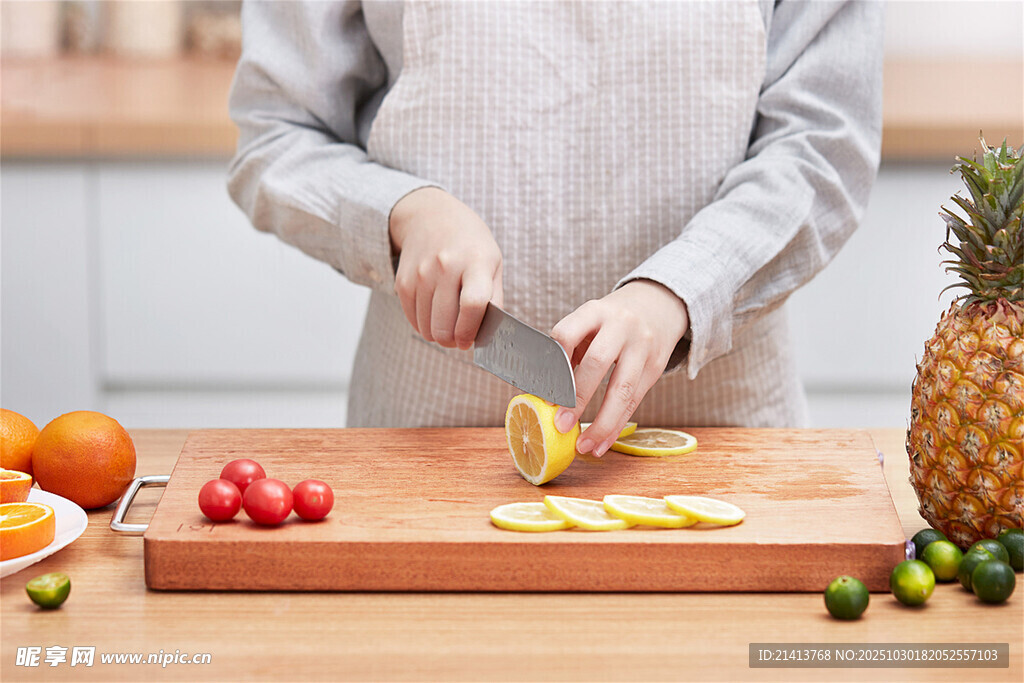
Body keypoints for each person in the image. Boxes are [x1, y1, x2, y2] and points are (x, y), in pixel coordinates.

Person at [227, 0, 883, 457]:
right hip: (430, 449)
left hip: (722, 443)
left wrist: (681, 288)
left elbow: (824, 142)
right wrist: (401, 210)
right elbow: (276, 131)